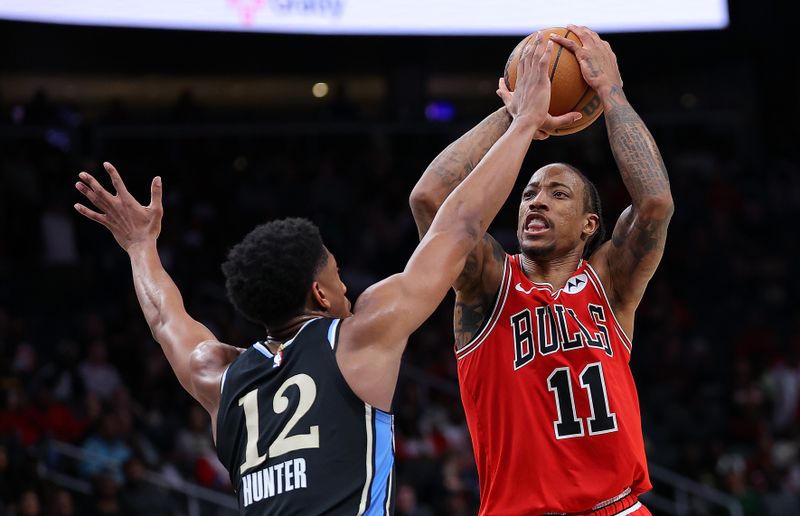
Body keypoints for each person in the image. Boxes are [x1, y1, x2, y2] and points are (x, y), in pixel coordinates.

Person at [73, 34, 571, 515]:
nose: (346, 285)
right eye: (336, 273)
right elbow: (460, 225)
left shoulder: (218, 376)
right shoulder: (359, 338)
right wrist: (523, 122)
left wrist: (140, 248)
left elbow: (165, 320)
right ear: (319, 293)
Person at [409, 25, 673, 515]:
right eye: (529, 193)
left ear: (591, 224)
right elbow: (429, 198)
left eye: (557, 194)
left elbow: (655, 202)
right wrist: (519, 115)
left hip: (618, 508)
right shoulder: (487, 284)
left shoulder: (610, 284)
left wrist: (610, 91)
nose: (536, 202)